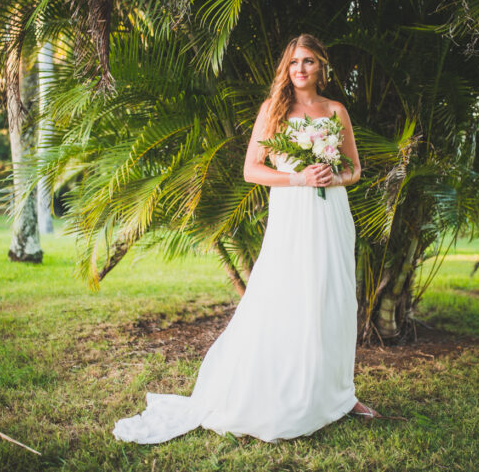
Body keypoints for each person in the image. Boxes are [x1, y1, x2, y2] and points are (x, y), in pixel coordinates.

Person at [112, 33, 379, 445]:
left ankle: (341, 396)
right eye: (293, 62)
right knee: (289, 297)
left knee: (334, 298)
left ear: (321, 67)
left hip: (332, 214)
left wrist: (332, 175)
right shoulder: (273, 109)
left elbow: (355, 169)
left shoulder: (336, 111)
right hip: (292, 215)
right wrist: (299, 177)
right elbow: (251, 170)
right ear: (285, 69)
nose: (301, 69)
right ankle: (289, 392)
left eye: (308, 61)